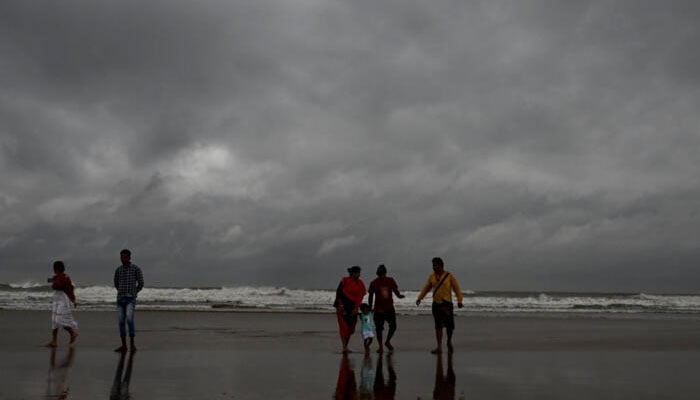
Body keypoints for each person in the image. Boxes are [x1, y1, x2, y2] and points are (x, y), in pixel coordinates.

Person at [416, 257, 463, 354]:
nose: (434, 267)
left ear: (441, 266)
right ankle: (439, 347)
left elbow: (457, 289)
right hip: (436, 305)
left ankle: (449, 341)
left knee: (450, 327)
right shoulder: (432, 277)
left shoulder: (449, 276)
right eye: (433, 265)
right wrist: (420, 298)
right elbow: (426, 288)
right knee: (438, 326)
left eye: (435, 265)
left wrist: (459, 300)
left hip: (447, 304)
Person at [368, 264, 405, 353]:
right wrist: (370, 307)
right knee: (379, 329)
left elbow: (396, 291)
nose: (382, 276)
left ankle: (386, 342)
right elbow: (371, 296)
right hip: (379, 310)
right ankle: (381, 346)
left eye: (382, 274)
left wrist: (399, 296)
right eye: (380, 274)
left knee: (392, 326)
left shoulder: (390, 280)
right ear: (378, 274)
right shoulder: (374, 283)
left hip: (388, 308)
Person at [113, 249, 144, 353]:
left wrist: (134, 293)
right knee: (121, 322)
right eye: (121, 257)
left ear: (129, 257)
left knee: (129, 320)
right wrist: (121, 292)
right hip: (120, 299)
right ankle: (124, 345)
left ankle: (132, 344)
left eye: (125, 257)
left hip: (131, 299)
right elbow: (116, 283)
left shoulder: (136, 269)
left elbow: (141, 283)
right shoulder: (118, 270)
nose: (122, 259)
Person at [334, 265, 367, 353]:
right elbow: (339, 292)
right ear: (352, 273)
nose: (358, 275)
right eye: (357, 273)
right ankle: (344, 347)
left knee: (351, 328)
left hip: (353, 308)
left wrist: (356, 308)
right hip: (342, 307)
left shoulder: (360, 283)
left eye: (359, 273)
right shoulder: (344, 280)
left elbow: (360, 296)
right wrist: (340, 304)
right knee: (344, 327)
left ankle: (346, 346)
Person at [46, 261, 78, 347]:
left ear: (56, 268)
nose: (54, 270)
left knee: (60, 319)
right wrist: (53, 280)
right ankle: (54, 341)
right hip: (57, 298)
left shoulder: (65, 277)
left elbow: (68, 288)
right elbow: (53, 285)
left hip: (63, 299)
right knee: (54, 320)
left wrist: (73, 300)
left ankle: (72, 333)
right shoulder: (56, 277)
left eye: (54, 268)